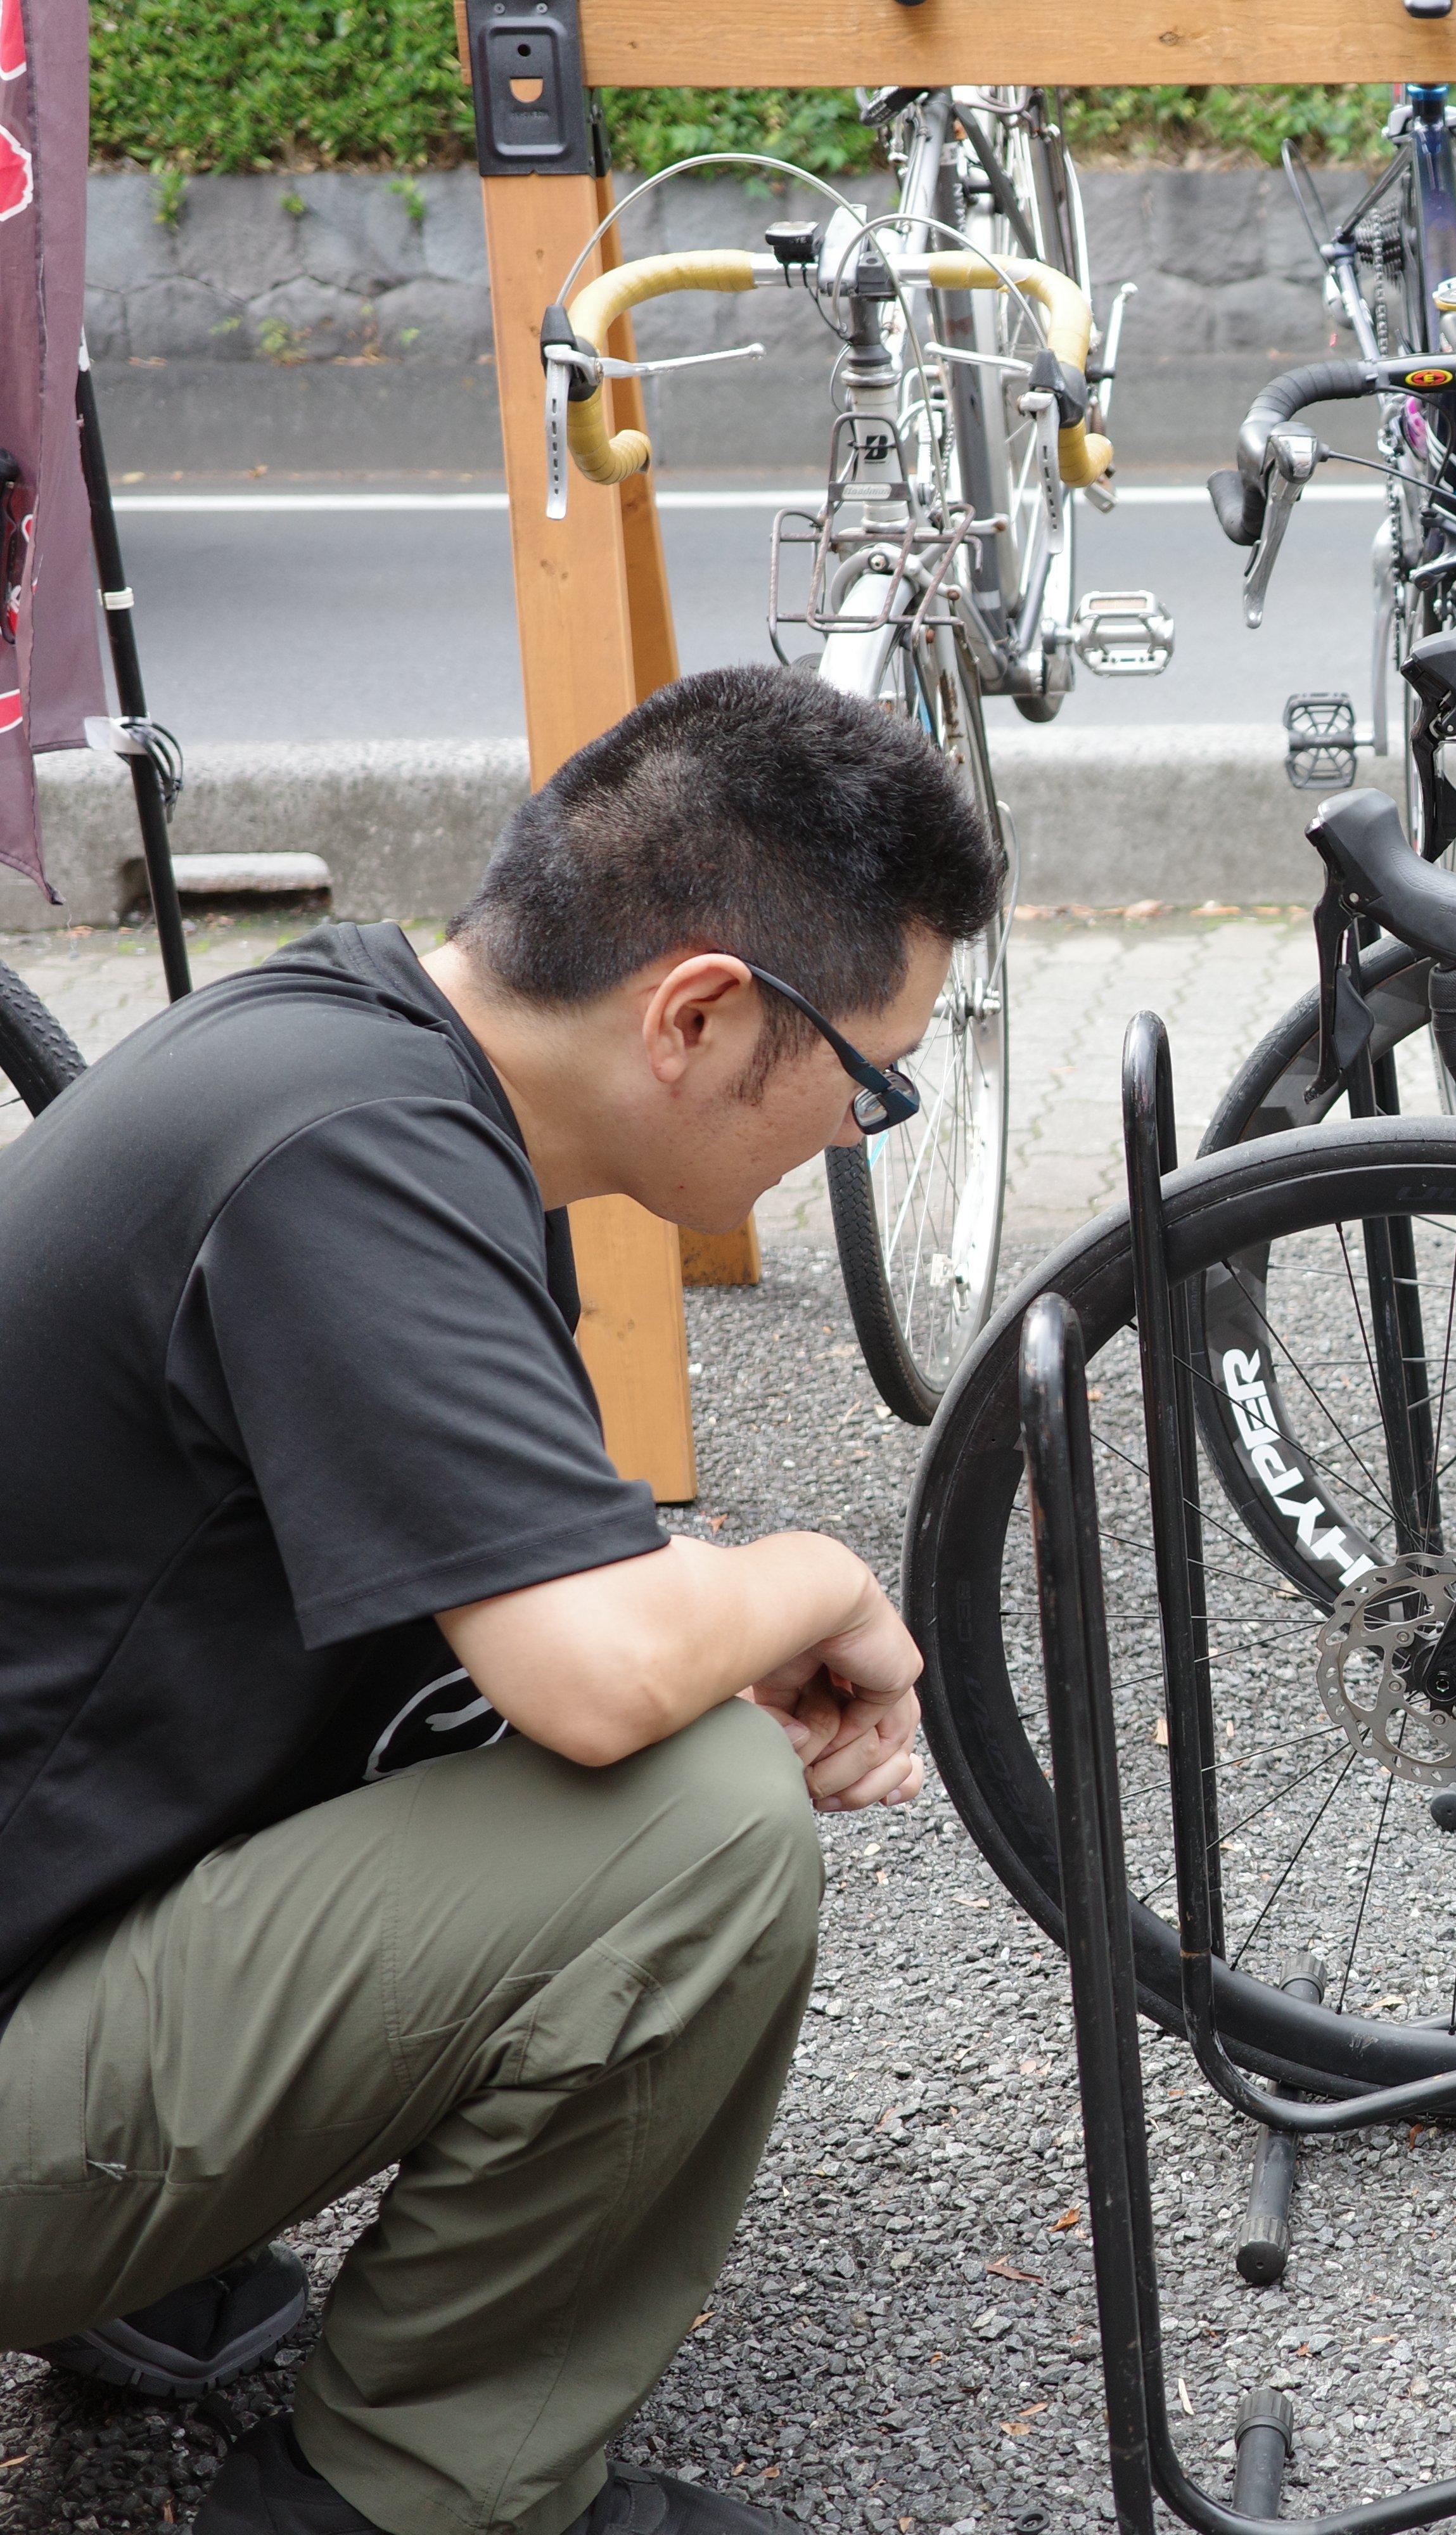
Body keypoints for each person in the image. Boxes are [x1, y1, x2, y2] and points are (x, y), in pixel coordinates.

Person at [0, 665, 1003, 2535]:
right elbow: (602, 1677)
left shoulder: (351, 1054)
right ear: (702, 1013)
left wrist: (686, 1639)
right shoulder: (353, 1155)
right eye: (871, 1081)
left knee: (662, 1732)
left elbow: (483, 1633)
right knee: (690, 1826)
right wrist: (811, 1570)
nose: (863, 1133)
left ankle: (163, 2289)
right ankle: (409, 2496)